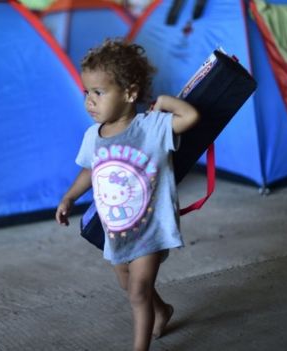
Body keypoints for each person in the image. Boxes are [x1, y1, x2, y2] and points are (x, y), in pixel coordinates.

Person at [55, 39, 199, 351]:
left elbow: (190, 118)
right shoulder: (94, 135)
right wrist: (69, 197)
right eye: (86, 93)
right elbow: (90, 171)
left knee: (137, 292)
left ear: (130, 93)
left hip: (151, 228)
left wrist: (164, 101)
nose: (89, 101)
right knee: (128, 283)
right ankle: (162, 310)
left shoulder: (152, 127)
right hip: (117, 229)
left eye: (98, 92)